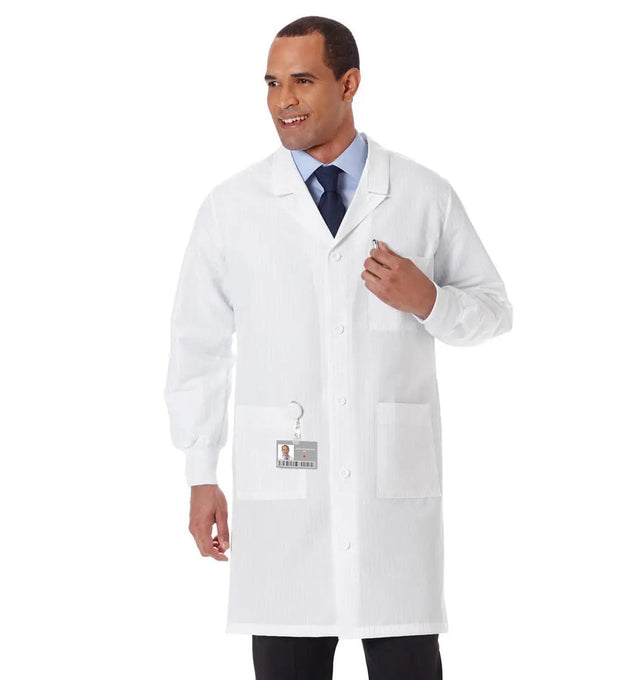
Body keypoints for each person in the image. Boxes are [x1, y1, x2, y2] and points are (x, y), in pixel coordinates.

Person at [164, 15, 513, 680]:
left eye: (302, 80)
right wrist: (200, 471)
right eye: (271, 83)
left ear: (349, 84)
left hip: (391, 508)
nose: (283, 101)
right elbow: (197, 345)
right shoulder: (231, 207)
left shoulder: (423, 195)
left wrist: (429, 300)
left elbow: (495, 311)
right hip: (284, 502)